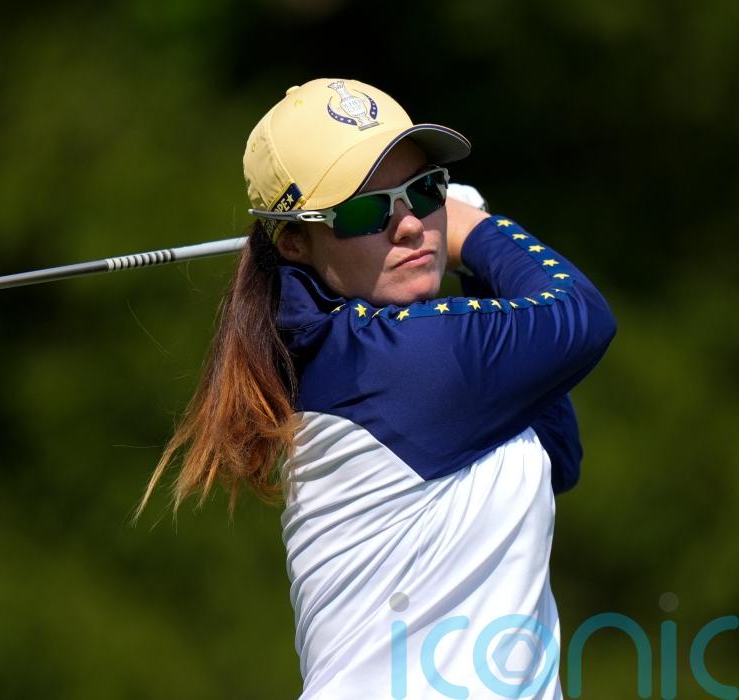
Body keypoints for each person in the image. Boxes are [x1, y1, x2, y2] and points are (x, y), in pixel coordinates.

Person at [136, 79, 616, 698]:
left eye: (424, 191)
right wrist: (477, 233)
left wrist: (473, 263)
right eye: (366, 211)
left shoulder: (361, 352)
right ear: (293, 240)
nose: (410, 225)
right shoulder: (394, 365)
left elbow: (557, 457)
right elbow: (582, 316)